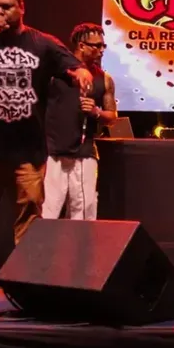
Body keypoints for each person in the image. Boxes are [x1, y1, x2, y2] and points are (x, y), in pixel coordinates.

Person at [0, 0, 93, 294]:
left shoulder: (42, 43)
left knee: (29, 209)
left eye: (7, 6)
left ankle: (24, 272)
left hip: (26, 148)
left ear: (21, 8)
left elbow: (72, 66)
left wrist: (80, 74)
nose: (0, 12)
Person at [43, 22, 117, 221]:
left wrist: (96, 112)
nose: (101, 50)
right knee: (48, 211)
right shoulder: (56, 74)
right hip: (53, 152)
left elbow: (112, 117)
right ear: (81, 46)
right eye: (96, 46)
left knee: (84, 211)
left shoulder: (105, 79)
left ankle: (82, 243)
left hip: (84, 153)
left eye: (103, 45)